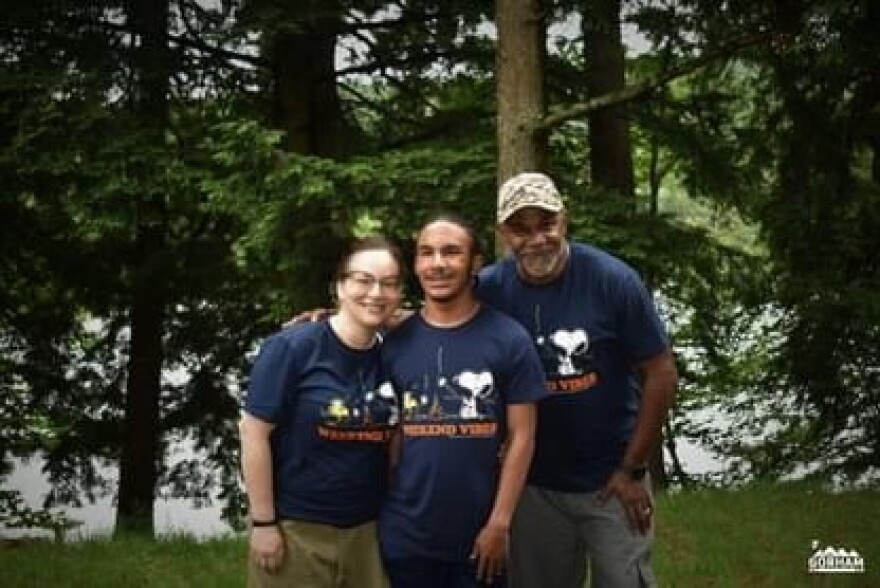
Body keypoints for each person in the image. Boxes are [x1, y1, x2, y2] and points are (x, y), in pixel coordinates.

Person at [475, 172, 678, 587]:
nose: (536, 239)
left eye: (546, 224)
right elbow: (434, 321)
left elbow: (661, 373)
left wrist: (633, 467)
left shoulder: (612, 280)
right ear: (502, 233)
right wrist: (339, 319)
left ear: (564, 220)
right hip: (534, 488)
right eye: (520, 228)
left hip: (612, 482)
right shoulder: (490, 290)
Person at [378, 214, 547, 588]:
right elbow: (390, 436)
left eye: (451, 252)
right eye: (426, 253)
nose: (437, 263)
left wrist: (500, 522)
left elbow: (523, 437)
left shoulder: (508, 339)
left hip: (480, 539)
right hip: (406, 538)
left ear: (475, 263)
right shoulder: (394, 344)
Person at [240, 236, 405, 588]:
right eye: (363, 280)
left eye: (389, 284)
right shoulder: (292, 348)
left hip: (368, 531)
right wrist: (264, 523)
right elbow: (253, 433)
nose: (376, 293)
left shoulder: (396, 355)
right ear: (339, 287)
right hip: (297, 529)